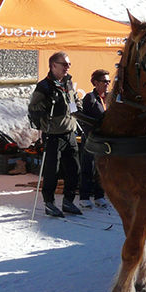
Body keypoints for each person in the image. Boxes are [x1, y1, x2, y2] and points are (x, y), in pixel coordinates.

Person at [28, 51, 82, 217]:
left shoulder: (68, 82)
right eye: (64, 64)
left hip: (69, 132)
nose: (67, 67)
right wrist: (47, 103)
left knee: (74, 169)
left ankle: (68, 201)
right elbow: (32, 108)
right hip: (53, 134)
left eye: (69, 64)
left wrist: (77, 106)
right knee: (52, 170)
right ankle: (49, 203)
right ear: (53, 66)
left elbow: (73, 101)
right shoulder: (44, 86)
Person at [78, 68, 110, 210]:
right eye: (105, 81)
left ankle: (99, 195)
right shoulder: (89, 98)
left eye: (109, 81)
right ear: (96, 83)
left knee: (101, 168)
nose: (107, 84)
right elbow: (85, 119)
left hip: (105, 139)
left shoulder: (109, 98)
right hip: (91, 138)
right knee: (88, 167)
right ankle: (84, 197)